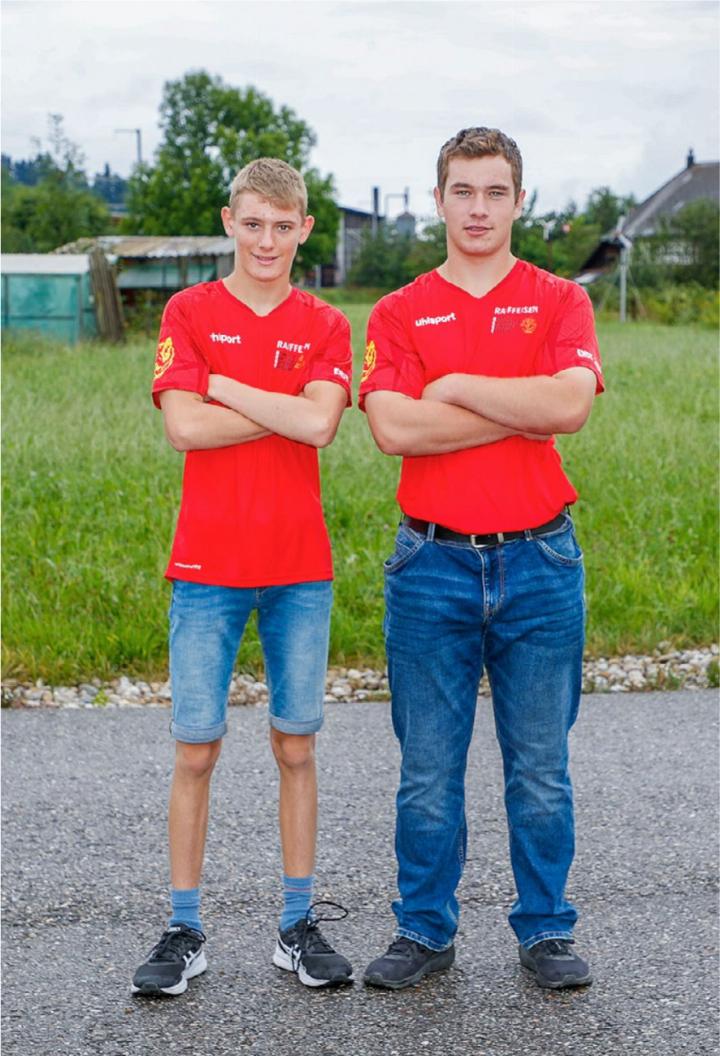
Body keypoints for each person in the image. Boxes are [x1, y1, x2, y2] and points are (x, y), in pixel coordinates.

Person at [359, 127, 604, 991]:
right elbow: (393, 428)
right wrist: (521, 408)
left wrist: (454, 387)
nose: (478, 208)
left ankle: (545, 932)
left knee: (539, 769)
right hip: (430, 568)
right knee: (428, 772)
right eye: (463, 191)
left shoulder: (558, 300)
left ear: (518, 201)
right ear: (439, 200)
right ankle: (425, 931)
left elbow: (569, 405)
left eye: (495, 192)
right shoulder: (398, 310)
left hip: (540, 563)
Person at [132, 158, 354, 996]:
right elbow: (183, 428)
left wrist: (223, 382)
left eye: (283, 225)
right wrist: (274, 401)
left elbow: (321, 423)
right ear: (230, 221)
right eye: (252, 223)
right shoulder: (188, 310)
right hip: (208, 567)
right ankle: (183, 928)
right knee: (196, 752)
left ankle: (297, 924)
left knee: (295, 746)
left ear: (304, 230)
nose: (267, 240)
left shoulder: (327, 323)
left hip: (299, 567)